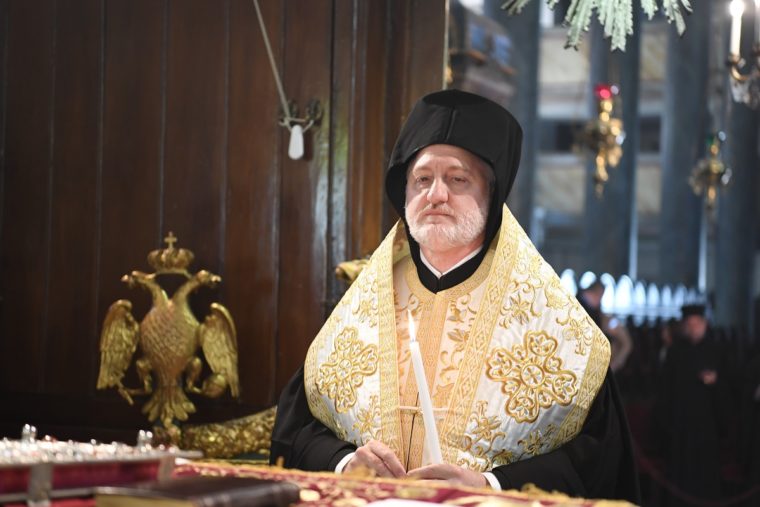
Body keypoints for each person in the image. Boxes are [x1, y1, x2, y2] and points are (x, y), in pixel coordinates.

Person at [270, 90, 639, 503]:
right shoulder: (362, 304)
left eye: (457, 179)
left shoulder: (555, 323)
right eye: (422, 179)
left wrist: (490, 485)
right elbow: (296, 430)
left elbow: (597, 460)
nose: (436, 194)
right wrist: (345, 463)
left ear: (491, 194)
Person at [653, 304, 727, 506]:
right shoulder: (675, 352)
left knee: (704, 473)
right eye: (690, 324)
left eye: (697, 324)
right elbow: (665, 390)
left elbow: (729, 387)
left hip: (706, 425)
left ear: (705, 324)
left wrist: (715, 382)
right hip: (680, 426)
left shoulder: (716, 350)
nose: (694, 329)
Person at [576, 280, 632, 373]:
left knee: (624, 343)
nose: (600, 299)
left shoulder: (593, 308)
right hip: (585, 356)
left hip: (594, 354)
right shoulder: (580, 306)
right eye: (600, 295)